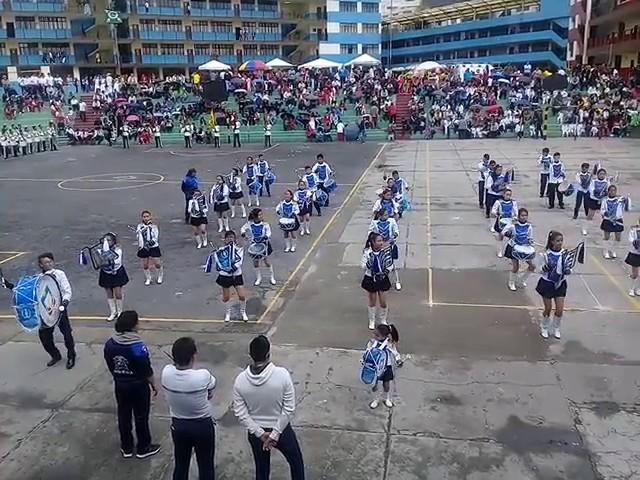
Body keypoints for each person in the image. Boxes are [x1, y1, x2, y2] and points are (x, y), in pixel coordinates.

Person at [233, 335, 304, 480]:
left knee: (262, 469)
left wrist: (259, 433)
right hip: (282, 430)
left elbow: (240, 412)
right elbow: (289, 408)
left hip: (256, 433)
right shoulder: (282, 375)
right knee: (296, 463)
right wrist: (275, 434)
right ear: (268, 354)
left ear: (250, 355)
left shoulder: (240, 380)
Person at [2, 252, 76, 369]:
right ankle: (55, 355)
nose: (49, 264)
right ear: (41, 265)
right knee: (45, 339)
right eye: (46, 262)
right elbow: (25, 291)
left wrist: (64, 302)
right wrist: (8, 285)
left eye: (50, 261)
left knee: (67, 334)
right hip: (44, 312)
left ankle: (71, 355)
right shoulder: (39, 279)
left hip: (60, 309)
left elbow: (67, 290)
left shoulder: (59, 274)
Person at [104, 311, 161, 459]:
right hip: (138, 386)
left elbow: (110, 364)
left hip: (121, 384)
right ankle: (143, 446)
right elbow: (146, 369)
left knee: (123, 415)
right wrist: (153, 384)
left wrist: (118, 376)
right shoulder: (137, 346)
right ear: (133, 325)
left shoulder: (110, 344)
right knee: (141, 416)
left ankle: (126, 446)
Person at [162, 337, 216, 480]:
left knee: (181, 464)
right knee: (206, 465)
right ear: (193, 356)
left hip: (179, 425)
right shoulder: (202, 375)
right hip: (202, 426)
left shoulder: (166, 373)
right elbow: (211, 386)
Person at [536, 231, 572, 339]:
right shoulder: (545, 254)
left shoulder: (565, 253)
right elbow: (539, 269)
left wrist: (568, 270)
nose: (560, 243)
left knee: (560, 310)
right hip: (547, 283)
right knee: (548, 308)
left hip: (560, 283)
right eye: (557, 241)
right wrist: (544, 268)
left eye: (561, 241)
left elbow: (569, 267)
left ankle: (556, 327)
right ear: (552, 242)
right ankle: (544, 327)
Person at [208, 230, 248, 322]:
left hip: (236, 274)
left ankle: (243, 312)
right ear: (225, 239)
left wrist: (233, 267)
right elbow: (219, 262)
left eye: (232, 237)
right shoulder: (221, 250)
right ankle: (228, 313)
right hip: (225, 275)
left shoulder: (238, 249)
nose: (230, 239)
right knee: (226, 297)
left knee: (242, 296)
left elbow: (240, 260)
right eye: (228, 237)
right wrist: (222, 267)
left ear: (235, 239)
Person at [362, 232, 392, 330]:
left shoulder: (385, 251)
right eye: (379, 241)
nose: (381, 243)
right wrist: (370, 263)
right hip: (371, 278)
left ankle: (383, 319)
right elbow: (363, 266)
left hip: (382, 278)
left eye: (382, 240)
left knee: (383, 301)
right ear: (372, 242)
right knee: (372, 301)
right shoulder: (367, 252)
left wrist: (385, 272)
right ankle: (372, 320)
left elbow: (390, 264)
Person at [364, 323, 399, 409]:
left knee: (386, 385)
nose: (374, 336)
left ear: (385, 336)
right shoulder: (372, 342)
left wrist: (398, 359)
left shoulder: (389, 344)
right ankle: (376, 399)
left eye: (377, 335)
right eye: (374, 334)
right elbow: (367, 351)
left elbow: (394, 352)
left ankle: (386, 398)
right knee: (375, 385)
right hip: (375, 367)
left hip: (387, 367)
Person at [502, 208, 536, 291]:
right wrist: (508, 234)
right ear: (518, 216)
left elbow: (530, 238)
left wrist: (530, 242)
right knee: (516, 267)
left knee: (532, 266)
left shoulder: (529, 227)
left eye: (525, 216)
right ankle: (511, 282)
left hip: (523, 248)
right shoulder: (513, 225)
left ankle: (521, 280)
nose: (524, 217)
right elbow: (503, 231)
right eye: (522, 215)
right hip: (513, 248)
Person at [241, 208, 277, 286]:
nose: (261, 216)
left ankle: (272, 277)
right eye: (259, 214)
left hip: (264, 244)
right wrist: (244, 234)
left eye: (261, 214)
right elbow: (243, 228)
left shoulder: (265, 224)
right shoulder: (249, 224)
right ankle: (258, 278)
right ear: (255, 216)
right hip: (254, 244)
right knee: (256, 263)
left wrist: (266, 236)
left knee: (267, 262)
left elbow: (269, 232)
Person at [99, 233, 129, 321]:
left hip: (116, 272)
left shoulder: (118, 250)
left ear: (113, 241)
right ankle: (113, 312)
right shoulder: (101, 250)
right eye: (105, 240)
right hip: (106, 272)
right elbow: (99, 261)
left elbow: (116, 261)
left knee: (118, 293)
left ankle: (120, 312)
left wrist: (106, 256)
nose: (106, 242)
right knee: (109, 292)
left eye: (108, 240)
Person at [600, 185, 630, 259]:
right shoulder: (605, 200)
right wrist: (606, 213)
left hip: (618, 220)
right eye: (611, 190)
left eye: (614, 190)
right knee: (606, 237)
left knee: (618, 237)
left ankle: (613, 250)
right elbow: (602, 210)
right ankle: (606, 251)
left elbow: (627, 208)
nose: (612, 192)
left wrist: (627, 201)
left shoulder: (620, 199)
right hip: (608, 220)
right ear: (608, 191)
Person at [136, 210, 163, 286]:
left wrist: (149, 243)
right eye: (144, 217)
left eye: (147, 216)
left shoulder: (154, 226)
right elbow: (138, 236)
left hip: (153, 246)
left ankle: (160, 276)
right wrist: (141, 245)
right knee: (145, 265)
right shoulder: (140, 226)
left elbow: (155, 237)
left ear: (150, 217)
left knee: (157, 263)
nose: (146, 218)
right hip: (144, 247)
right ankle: (148, 278)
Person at [491, 188, 518, 258]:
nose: (508, 196)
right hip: (501, 221)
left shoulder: (513, 202)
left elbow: (516, 212)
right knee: (500, 236)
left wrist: (515, 217)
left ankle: (510, 250)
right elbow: (493, 211)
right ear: (503, 195)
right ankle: (500, 251)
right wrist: (497, 213)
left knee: (512, 236)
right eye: (507, 194)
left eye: (510, 195)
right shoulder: (498, 202)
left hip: (510, 221)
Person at [574, 162, 592, 230]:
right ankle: (575, 214)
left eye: (586, 168)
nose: (585, 169)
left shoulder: (589, 175)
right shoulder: (578, 174)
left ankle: (587, 215)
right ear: (581, 168)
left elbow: (591, 182)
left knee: (587, 204)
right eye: (583, 168)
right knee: (578, 203)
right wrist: (586, 182)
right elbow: (579, 182)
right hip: (580, 190)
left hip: (587, 191)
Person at [626, 218, 640, 296]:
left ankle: (638, 289)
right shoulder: (634, 230)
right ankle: (631, 288)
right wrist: (636, 242)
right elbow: (630, 239)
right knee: (635, 274)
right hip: (635, 254)